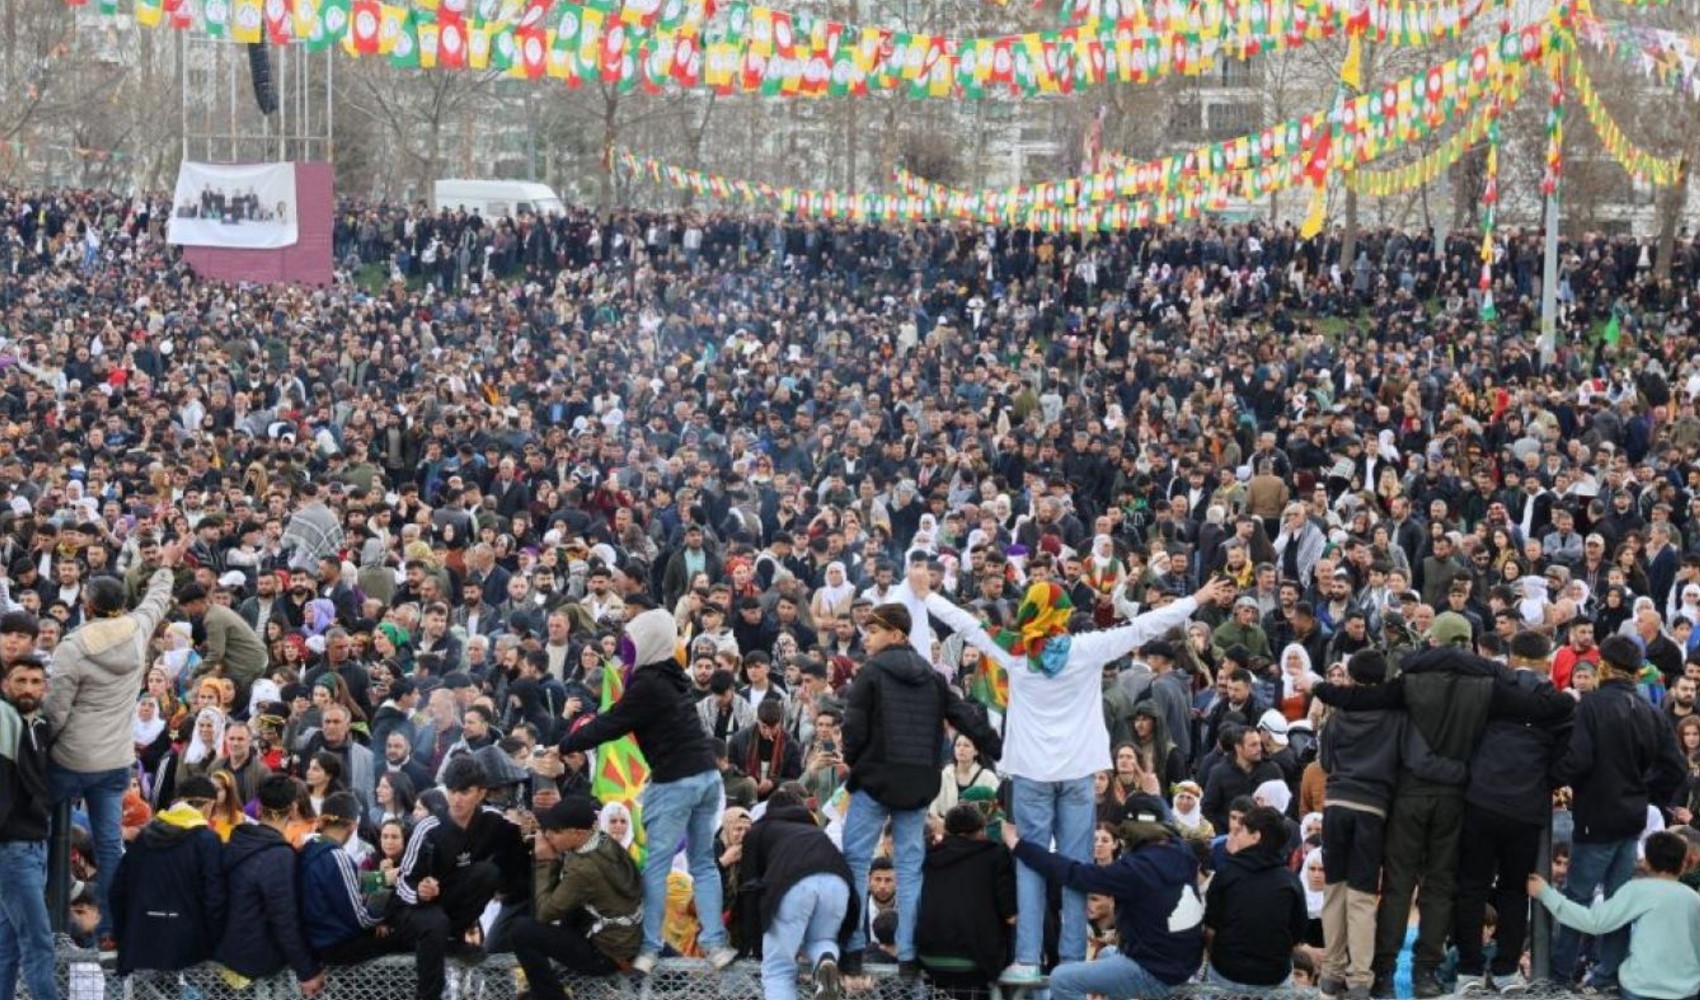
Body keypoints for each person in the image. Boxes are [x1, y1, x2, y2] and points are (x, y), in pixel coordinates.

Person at [922, 570, 1232, 984]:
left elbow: (966, 623)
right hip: (1079, 770)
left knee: (1030, 864)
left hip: (1031, 770)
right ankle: (1070, 957)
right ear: (1061, 615)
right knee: (1076, 863)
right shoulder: (1085, 648)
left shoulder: (1013, 650)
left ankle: (1029, 957)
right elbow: (1144, 625)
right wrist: (1196, 597)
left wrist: (927, 594)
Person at [556, 603, 738, 973]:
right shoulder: (673, 676)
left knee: (655, 867)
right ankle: (716, 945)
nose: (627, 651)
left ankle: (650, 949)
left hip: (675, 780)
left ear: (649, 644)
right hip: (706, 778)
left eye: (632, 644)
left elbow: (613, 723)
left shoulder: (648, 682)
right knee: (703, 863)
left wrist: (564, 744)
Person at [839, 601, 1002, 976]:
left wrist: (857, 761)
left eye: (874, 630)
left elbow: (853, 729)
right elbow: (964, 715)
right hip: (917, 785)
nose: (867, 637)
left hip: (875, 781)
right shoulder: (931, 676)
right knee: (910, 870)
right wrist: (998, 749)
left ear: (896, 634)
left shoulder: (871, 674)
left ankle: (852, 947)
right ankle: (909, 954)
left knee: (856, 862)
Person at [46, 535, 187, 944]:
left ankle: (56, 922)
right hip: (113, 762)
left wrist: (43, 750)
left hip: (70, 759)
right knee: (109, 844)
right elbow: (157, 600)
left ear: (87, 606)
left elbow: (56, 711)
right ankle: (109, 926)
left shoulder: (73, 646)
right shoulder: (137, 629)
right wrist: (167, 565)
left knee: (54, 839)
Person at [1550, 634, 1689, 993]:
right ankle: (1608, 976)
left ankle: (1560, 977)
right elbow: (1675, 768)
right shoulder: (1651, 711)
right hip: (1631, 816)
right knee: (1619, 902)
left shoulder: (1592, 705)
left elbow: (1578, 761)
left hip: (1596, 816)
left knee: (1579, 898)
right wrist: (1641, 786)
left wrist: (1555, 777)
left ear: (1605, 666)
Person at [1453, 631, 1576, 996]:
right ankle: (1507, 970)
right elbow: (1565, 761)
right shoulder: (1558, 704)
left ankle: (1468, 970)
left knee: (1472, 887)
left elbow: (1465, 738)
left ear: (1511, 656)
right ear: (1546, 660)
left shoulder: (1489, 691)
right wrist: (1542, 781)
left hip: (1481, 800)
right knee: (1513, 890)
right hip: (1526, 809)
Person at [1001, 815, 1204, 1000]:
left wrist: (1018, 845)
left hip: (1155, 973)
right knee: (1107, 954)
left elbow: (1074, 874)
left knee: (1062, 979)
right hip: (1182, 965)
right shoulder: (1182, 851)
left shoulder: (1134, 871)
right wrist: (1152, 795)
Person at [391, 755, 529, 1000]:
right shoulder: (428, 827)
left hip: (451, 907)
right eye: (452, 791)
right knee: (435, 923)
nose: (456, 799)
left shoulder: (494, 822)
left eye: (464, 792)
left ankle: (454, 937)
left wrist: (530, 832)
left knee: (488, 873)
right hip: (415, 910)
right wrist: (420, 892)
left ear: (481, 793)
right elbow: (402, 883)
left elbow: (517, 861)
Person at [1314, 649, 1402, 1000]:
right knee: (1362, 896)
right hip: (1372, 808)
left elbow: (1325, 759)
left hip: (1336, 803)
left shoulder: (1338, 715)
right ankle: (1360, 978)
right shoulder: (1395, 717)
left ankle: (1332, 972)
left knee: (1333, 889)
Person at [1530, 830, 1700, 1000]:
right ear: (1683, 864)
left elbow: (1594, 922)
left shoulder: (1638, 890)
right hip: (1687, 991)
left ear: (1646, 862)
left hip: (1643, 989)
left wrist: (1546, 894)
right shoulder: (1694, 899)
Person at [511, 796, 643, 1000]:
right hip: (620, 940)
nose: (548, 835)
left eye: (556, 832)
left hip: (606, 955)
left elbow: (544, 913)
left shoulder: (584, 869)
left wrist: (544, 861)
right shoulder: (603, 841)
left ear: (579, 833)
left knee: (522, 931)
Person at [740, 787, 858, 1000]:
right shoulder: (815, 831)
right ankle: (825, 961)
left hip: (793, 884)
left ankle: (822, 970)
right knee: (822, 939)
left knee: (778, 969)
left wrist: (754, 943)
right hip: (838, 882)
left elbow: (750, 888)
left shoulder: (760, 830)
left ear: (770, 809)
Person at [214, 774, 324, 995]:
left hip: (225, 956)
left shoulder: (234, 842)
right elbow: (284, 917)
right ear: (293, 809)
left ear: (259, 809)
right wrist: (306, 971)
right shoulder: (279, 857)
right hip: (257, 968)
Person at [109, 774, 227, 977]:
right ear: (208, 806)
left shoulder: (143, 838)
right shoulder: (206, 841)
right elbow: (214, 897)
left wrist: (124, 935)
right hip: (189, 950)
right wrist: (215, 942)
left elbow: (117, 891)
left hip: (141, 943)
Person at [915, 803, 1019, 998]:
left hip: (929, 959)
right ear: (981, 831)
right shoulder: (996, 855)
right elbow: (1011, 915)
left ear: (947, 830)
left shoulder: (929, 857)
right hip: (977, 962)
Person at [1202, 805, 1308, 992]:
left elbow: (1211, 929)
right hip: (1272, 977)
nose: (1236, 834)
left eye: (1242, 830)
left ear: (1256, 836)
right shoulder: (1290, 881)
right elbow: (1296, 934)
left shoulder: (1227, 873)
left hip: (1227, 974)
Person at [0, 655, 54, 1000]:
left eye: (35, 682)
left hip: (34, 846)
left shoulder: (40, 725)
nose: (28, 688)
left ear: (45, 687)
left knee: (8, 948)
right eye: (21, 681)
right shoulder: (5, 722)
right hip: (13, 849)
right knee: (38, 943)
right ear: (6, 685)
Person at [299, 791, 388, 963]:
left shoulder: (307, 849)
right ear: (353, 826)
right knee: (399, 937)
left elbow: (346, 883)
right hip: (335, 945)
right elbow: (362, 918)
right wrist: (385, 898)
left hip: (312, 943)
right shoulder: (337, 855)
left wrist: (382, 878)